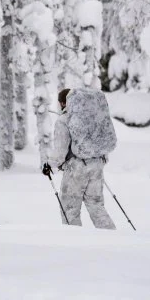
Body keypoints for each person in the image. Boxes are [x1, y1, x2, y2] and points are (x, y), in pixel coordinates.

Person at [43, 88, 116, 229]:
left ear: (63, 103)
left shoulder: (63, 120)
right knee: (96, 206)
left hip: (76, 168)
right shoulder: (91, 119)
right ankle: (111, 237)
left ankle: (75, 244)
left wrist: (49, 165)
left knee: (69, 209)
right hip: (97, 164)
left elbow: (60, 151)